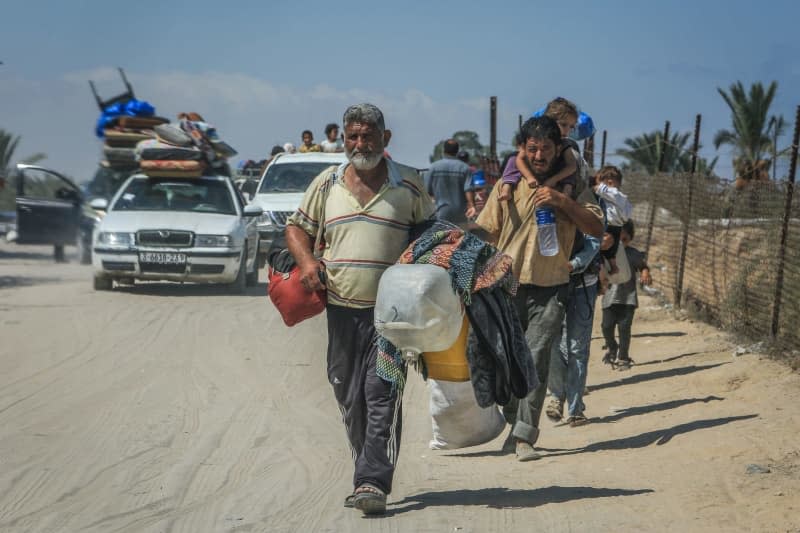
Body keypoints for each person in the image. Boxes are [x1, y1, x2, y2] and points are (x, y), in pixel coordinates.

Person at [285, 103, 434, 515]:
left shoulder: (410, 184)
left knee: (380, 393)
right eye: (353, 136)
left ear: (385, 139)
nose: (360, 144)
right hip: (342, 312)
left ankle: (371, 481)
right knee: (349, 394)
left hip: (392, 317)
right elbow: (297, 228)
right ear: (344, 139)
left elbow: (432, 234)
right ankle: (367, 465)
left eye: (368, 136)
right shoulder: (327, 181)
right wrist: (307, 263)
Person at [474, 115, 604, 461]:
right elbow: (487, 230)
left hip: (551, 287)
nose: (539, 155)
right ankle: (513, 421)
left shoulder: (573, 187)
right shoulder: (510, 183)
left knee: (535, 356)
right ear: (523, 149)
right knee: (507, 358)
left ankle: (523, 436)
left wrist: (563, 203)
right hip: (506, 285)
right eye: (533, 148)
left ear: (558, 148)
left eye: (546, 148)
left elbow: (595, 228)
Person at [545, 229, 603, 426]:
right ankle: (556, 396)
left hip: (582, 286)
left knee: (577, 348)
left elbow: (594, 241)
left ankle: (575, 408)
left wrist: (572, 265)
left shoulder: (589, 202)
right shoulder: (544, 202)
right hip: (550, 285)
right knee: (551, 344)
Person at [498, 97, 581, 201]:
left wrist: (553, 180)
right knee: (512, 159)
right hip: (530, 178)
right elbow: (520, 159)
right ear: (550, 121)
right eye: (564, 125)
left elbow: (572, 166)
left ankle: (566, 194)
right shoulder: (534, 137)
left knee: (572, 171)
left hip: (555, 177)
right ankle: (506, 187)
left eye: (571, 127)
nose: (567, 130)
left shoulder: (565, 144)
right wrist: (529, 177)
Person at [601, 220, 652, 370]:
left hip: (627, 299)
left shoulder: (633, 254)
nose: (621, 243)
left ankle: (623, 357)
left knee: (624, 328)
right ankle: (612, 347)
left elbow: (643, 266)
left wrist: (645, 273)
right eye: (618, 239)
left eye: (625, 239)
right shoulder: (605, 252)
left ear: (631, 238)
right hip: (609, 298)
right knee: (606, 326)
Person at [424, 139, 475, 224]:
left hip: (440, 212)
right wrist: (472, 206)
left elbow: (426, 191)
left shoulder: (433, 167)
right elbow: (468, 190)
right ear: (457, 151)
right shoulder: (465, 168)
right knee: (461, 236)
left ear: (444, 150)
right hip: (460, 214)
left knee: (440, 236)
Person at [594, 165, 632, 276]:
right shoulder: (623, 198)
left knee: (602, 247)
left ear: (609, 183)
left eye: (601, 182)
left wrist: (595, 186)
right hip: (618, 226)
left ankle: (601, 269)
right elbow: (629, 212)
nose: (599, 185)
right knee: (612, 250)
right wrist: (623, 219)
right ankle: (614, 267)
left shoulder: (612, 192)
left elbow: (598, 189)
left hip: (608, 224)